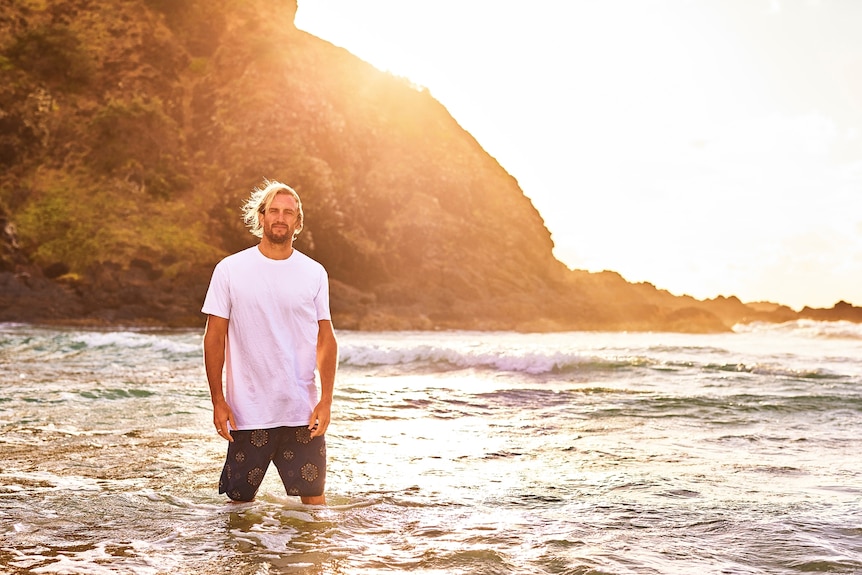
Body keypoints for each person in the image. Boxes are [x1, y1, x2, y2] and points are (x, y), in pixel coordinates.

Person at [202, 179, 338, 505]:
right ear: (261, 217)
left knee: (313, 506)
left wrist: (326, 401)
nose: (280, 217)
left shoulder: (314, 272)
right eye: (274, 211)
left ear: (298, 222)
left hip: (301, 413)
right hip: (247, 413)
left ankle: (309, 558)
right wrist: (218, 400)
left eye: (288, 212)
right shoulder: (230, 269)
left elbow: (326, 339)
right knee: (238, 507)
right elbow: (214, 337)